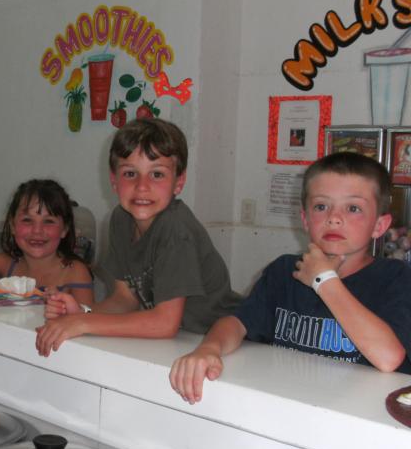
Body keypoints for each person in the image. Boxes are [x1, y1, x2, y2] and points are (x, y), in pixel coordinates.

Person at [170, 151, 411, 404]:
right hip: (291, 408)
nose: (334, 218)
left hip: (363, 422)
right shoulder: (284, 271)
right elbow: (237, 322)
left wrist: (324, 281)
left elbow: (388, 358)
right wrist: (209, 349)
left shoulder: (396, 278)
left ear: (379, 226)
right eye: (321, 206)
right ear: (305, 219)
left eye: (353, 208)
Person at [36, 118, 240, 357]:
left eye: (157, 174)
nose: (142, 186)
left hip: (226, 341)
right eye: (130, 173)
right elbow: (125, 299)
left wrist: (82, 323)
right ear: (114, 180)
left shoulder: (175, 228)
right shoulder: (121, 219)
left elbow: (164, 323)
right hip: (183, 341)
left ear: (179, 182)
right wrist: (84, 311)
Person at [0, 179, 93, 305]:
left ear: (65, 229)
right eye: (27, 220)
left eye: (49, 221)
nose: (37, 230)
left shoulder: (75, 271)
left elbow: (87, 321)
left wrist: (64, 308)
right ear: (12, 226)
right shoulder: (7, 263)